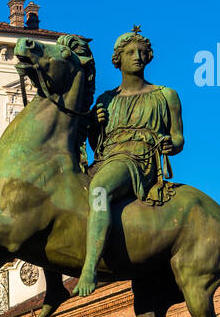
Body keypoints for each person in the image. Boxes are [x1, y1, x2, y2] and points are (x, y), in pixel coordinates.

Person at [72, 27, 184, 297]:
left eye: (142, 52)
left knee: (99, 191)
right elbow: (96, 143)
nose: (137, 57)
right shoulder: (105, 100)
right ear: (117, 59)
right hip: (107, 158)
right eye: (130, 52)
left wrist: (171, 145)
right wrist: (95, 126)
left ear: (148, 57)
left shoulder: (166, 95)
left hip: (139, 159)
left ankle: (90, 268)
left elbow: (179, 138)